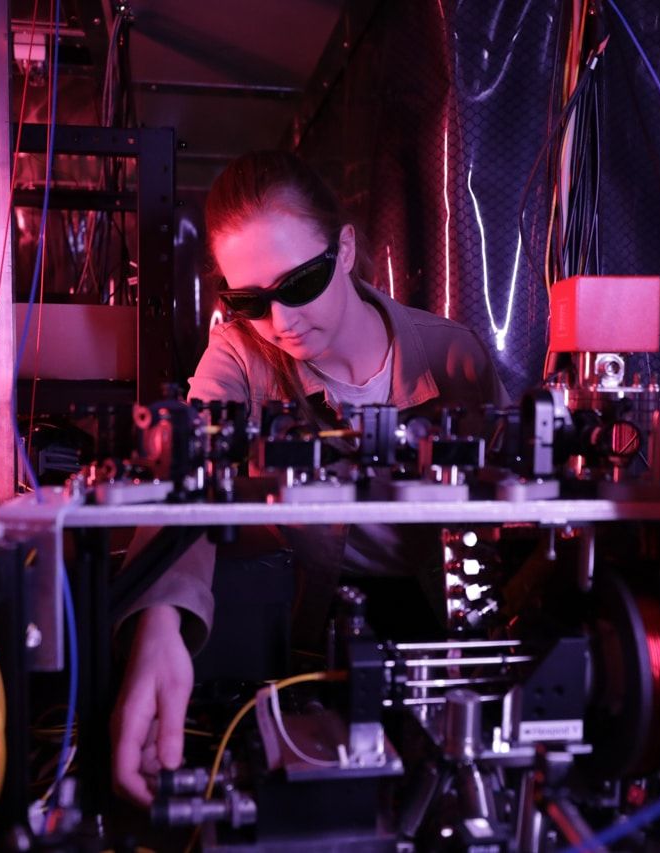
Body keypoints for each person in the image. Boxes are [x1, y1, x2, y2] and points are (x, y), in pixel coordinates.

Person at [111, 150, 509, 806]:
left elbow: (508, 513)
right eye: (251, 300)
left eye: (298, 285)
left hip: (441, 632)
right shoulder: (241, 351)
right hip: (303, 626)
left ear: (346, 248)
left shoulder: (452, 356)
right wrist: (159, 619)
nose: (282, 323)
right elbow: (187, 461)